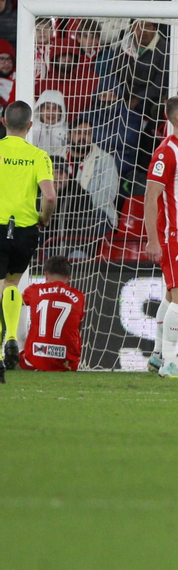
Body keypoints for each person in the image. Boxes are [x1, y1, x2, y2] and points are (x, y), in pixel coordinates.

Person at [142, 94, 178, 378]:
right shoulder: (166, 152)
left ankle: (157, 355)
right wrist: (152, 239)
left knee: (172, 294)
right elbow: (151, 198)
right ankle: (169, 361)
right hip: (172, 235)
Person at [0, 101, 57, 371]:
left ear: (3, 122)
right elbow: (49, 196)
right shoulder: (39, 156)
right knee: (11, 283)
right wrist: (43, 218)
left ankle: (2, 348)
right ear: (30, 125)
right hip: (25, 228)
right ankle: (11, 335)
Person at [15, 255, 83, 372]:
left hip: (34, 360)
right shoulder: (79, 297)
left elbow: (16, 302)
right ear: (69, 278)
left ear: (46, 275)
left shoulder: (33, 290)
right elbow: (78, 326)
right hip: (67, 363)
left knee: (12, 360)